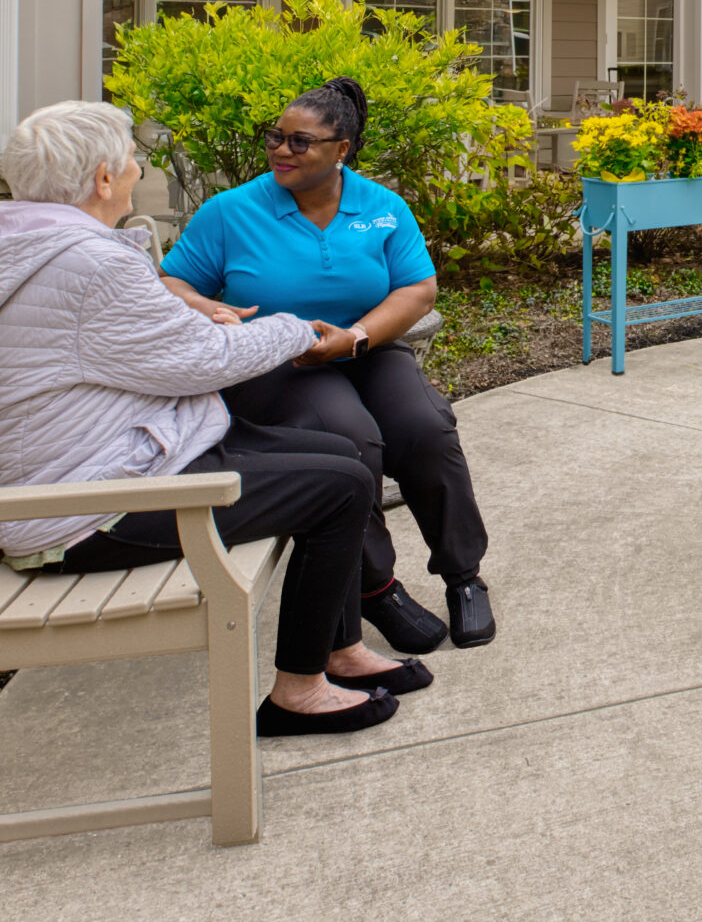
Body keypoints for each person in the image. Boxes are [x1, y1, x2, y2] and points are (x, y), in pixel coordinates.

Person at [0, 99, 433, 737]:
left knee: (342, 456)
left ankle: (339, 650)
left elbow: (139, 342)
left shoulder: (40, 247)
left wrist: (199, 314)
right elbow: (201, 364)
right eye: (130, 162)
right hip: (83, 511)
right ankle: (299, 691)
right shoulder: (90, 262)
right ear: (101, 179)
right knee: (340, 487)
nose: (136, 171)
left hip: (104, 467)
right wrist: (294, 329)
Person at [161, 77, 495, 655]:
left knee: (425, 428)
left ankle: (463, 576)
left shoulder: (381, 207)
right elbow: (171, 281)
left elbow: (418, 288)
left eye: (300, 142)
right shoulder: (231, 212)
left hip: (364, 347)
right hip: (279, 363)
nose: (281, 151)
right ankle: (376, 588)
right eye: (275, 137)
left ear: (341, 150)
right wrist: (210, 307)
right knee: (350, 439)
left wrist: (358, 337)